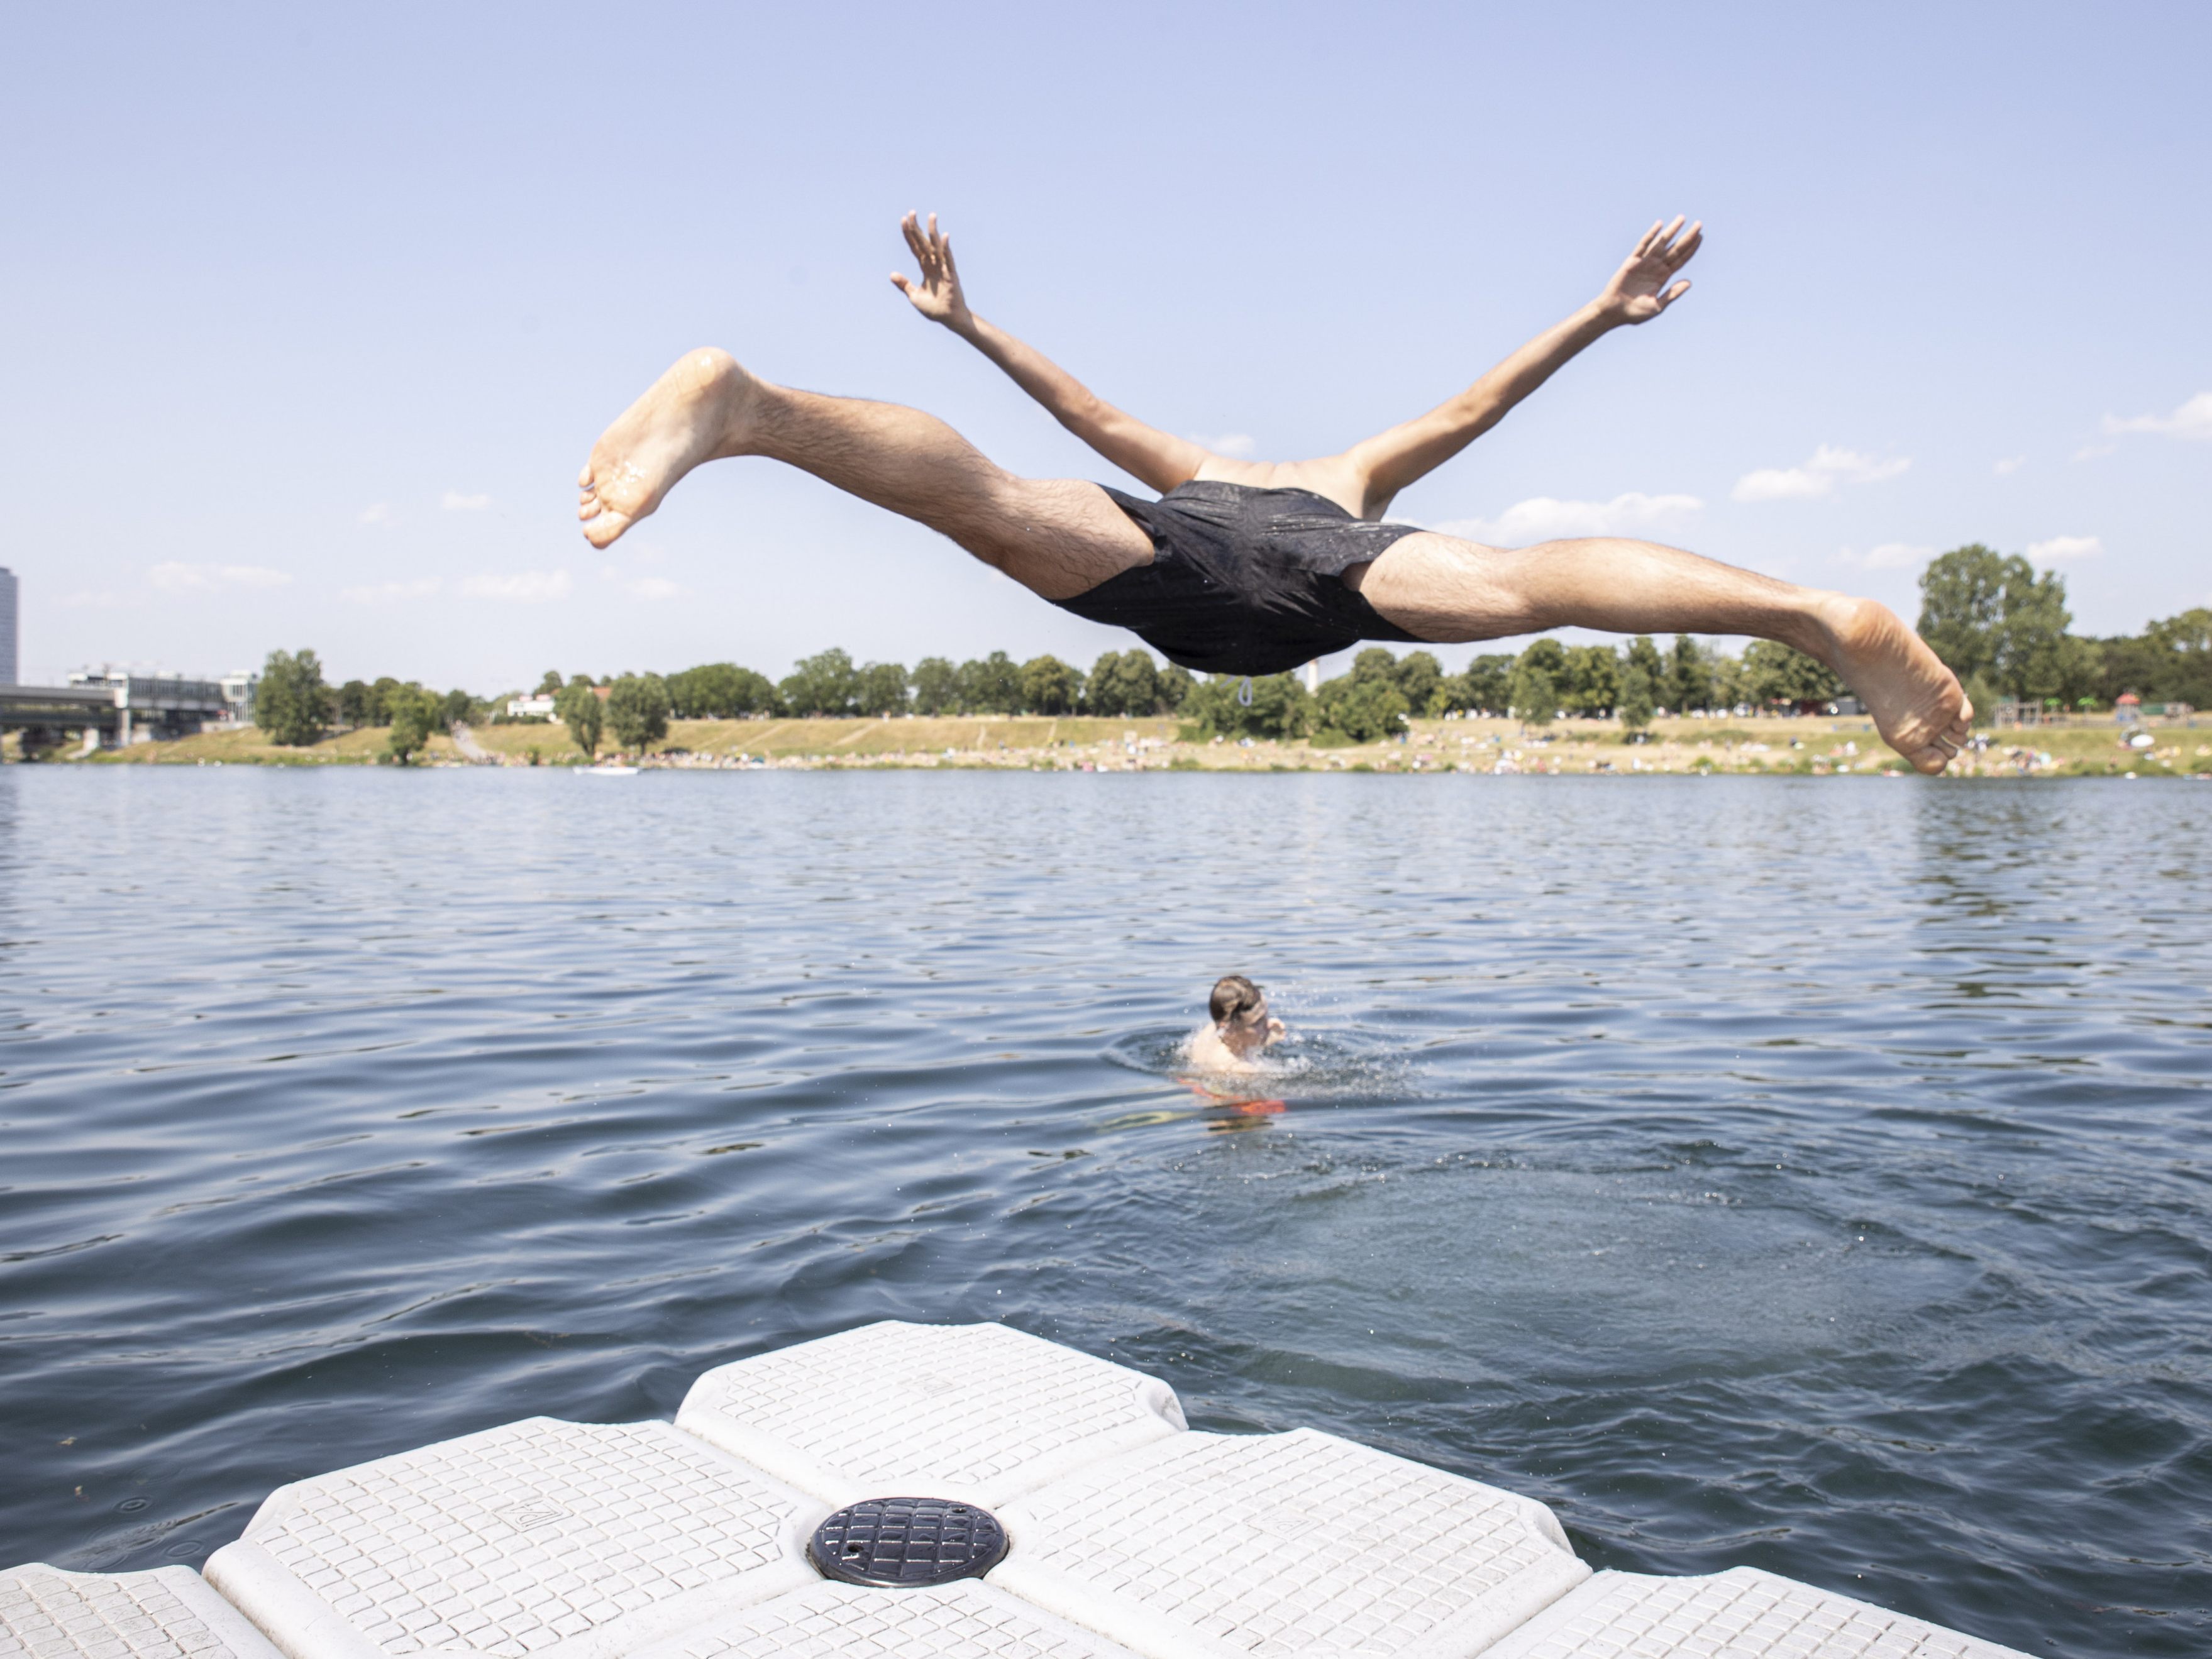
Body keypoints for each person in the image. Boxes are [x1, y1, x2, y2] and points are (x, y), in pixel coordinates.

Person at [577, 212, 1971, 773]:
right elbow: (1479, 404)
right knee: (1529, 579)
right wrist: (1595, 317)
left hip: (1176, 559)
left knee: (991, 500)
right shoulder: (1345, 479)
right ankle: (1806, 614)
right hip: (1332, 564)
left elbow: (1076, 409)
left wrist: (966, 326)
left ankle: (751, 409)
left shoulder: (1194, 477)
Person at [1185, 975, 1286, 1072]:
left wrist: (1266, 1036)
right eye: (1257, 1022)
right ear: (1228, 1027)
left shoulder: (1213, 1029)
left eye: (1266, 1016)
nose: (1268, 1025)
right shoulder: (1239, 1070)